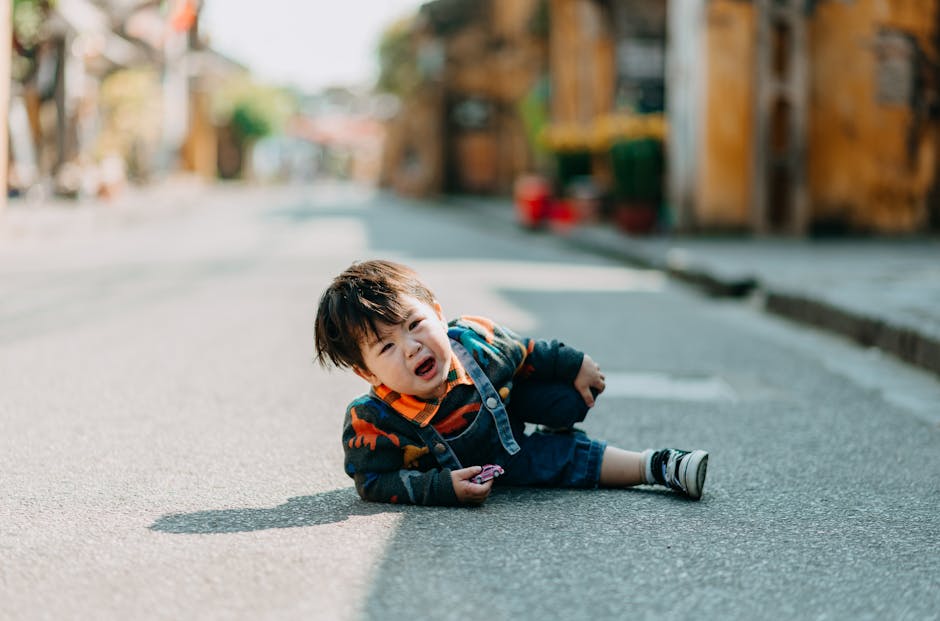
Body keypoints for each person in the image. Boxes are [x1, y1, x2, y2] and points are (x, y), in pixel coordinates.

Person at [314, 259, 709, 506]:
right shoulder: (373, 421)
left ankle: (560, 416)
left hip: (507, 410)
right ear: (367, 373)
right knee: (568, 457)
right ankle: (657, 465)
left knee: (568, 394)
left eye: (415, 324)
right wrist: (441, 488)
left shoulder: (473, 341)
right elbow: (373, 481)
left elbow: (525, 350)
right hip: (502, 464)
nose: (412, 347)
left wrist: (575, 364)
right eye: (386, 347)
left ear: (437, 313)